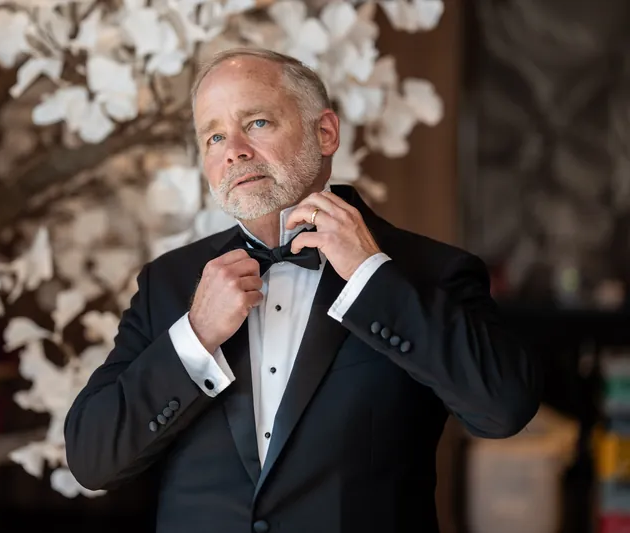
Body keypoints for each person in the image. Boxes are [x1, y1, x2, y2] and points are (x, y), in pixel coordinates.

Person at [64, 48, 541, 533]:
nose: (234, 150)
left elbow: (503, 409)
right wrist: (196, 335)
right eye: (213, 136)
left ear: (325, 132)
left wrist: (371, 277)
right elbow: (92, 458)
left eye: (257, 123)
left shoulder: (432, 271)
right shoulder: (168, 283)